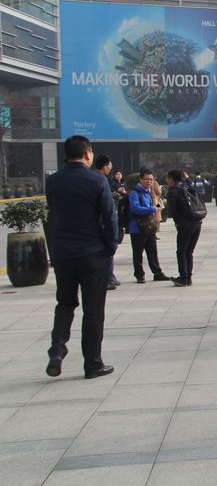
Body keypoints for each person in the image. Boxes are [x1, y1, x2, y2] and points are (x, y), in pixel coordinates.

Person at [45, 135, 118, 380]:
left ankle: (57, 350)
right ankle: (93, 363)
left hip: (63, 253)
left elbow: (54, 211)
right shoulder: (97, 180)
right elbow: (109, 217)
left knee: (65, 304)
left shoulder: (53, 181)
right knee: (93, 310)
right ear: (88, 154)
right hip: (93, 253)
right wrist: (110, 247)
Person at [128, 168, 169, 283]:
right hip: (137, 227)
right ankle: (139, 275)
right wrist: (152, 209)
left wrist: (155, 208)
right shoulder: (134, 193)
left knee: (152, 251)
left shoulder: (149, 192)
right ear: (140, 179)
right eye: (147, 179)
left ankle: (157, 273)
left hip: (149, 226)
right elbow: (135, 208)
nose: (149, 182)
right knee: (138, 253)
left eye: (151, 179)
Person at [165, 169, 204, 285]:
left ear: (171, 179)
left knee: (181, 251)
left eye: (168, 179)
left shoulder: (174, 191)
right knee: (189, 251)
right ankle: (188, 277)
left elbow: (172, 211)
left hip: (185, 224)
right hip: (197, 222)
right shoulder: (188, 187)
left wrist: (177, 223)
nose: (166, 181)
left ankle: (183, 278)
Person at [93, 154, 121, 290]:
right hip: (102, 223)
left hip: (102, 222)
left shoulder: (101, 178)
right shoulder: (99, 179)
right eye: (110, 165)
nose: (111, 167)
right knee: (107, 251)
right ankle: (108, 279)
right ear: (104, 166)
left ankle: (110, 277)